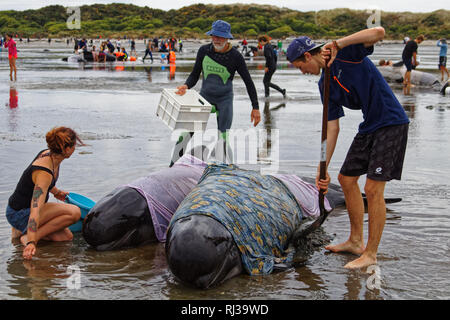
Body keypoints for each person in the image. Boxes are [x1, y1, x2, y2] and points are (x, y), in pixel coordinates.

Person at [287, 27, 410, 269]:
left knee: (373, 189)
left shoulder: (345, 54)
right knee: (345, 179)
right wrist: (323, 167)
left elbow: (379, 31)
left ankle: (370, 254)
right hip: (370, 125)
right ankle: (355, 241)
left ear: (308, 56)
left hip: (391, 122)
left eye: (300, 66)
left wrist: (338, 42)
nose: (302, 72)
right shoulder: (325, 84)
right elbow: (332, 129)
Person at [174, 20, 261, 166]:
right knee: (185, 133)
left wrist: (256, 107)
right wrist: (186, 85)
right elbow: (195, 74)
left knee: (223, 138)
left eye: (220, 36)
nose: (216, 39)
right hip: (204, 98)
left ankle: (230, 170)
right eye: (214, 35)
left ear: (227, 38)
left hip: (224, 100)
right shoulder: (204, 51)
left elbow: (248, 82)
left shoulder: (235, 57)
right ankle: (171, 167)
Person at [6, 127, 85, 260]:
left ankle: (21, 233)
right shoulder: (44, 171)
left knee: (66, 238)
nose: (74, 148)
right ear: (66, 150)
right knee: (74, 212)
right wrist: (32, 242)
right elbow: (35, 210)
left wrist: (56, 192)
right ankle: (27, 237)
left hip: (21, 211)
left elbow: (41, 184)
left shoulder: (51, 156)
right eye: (73, 146)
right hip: (20, 213)